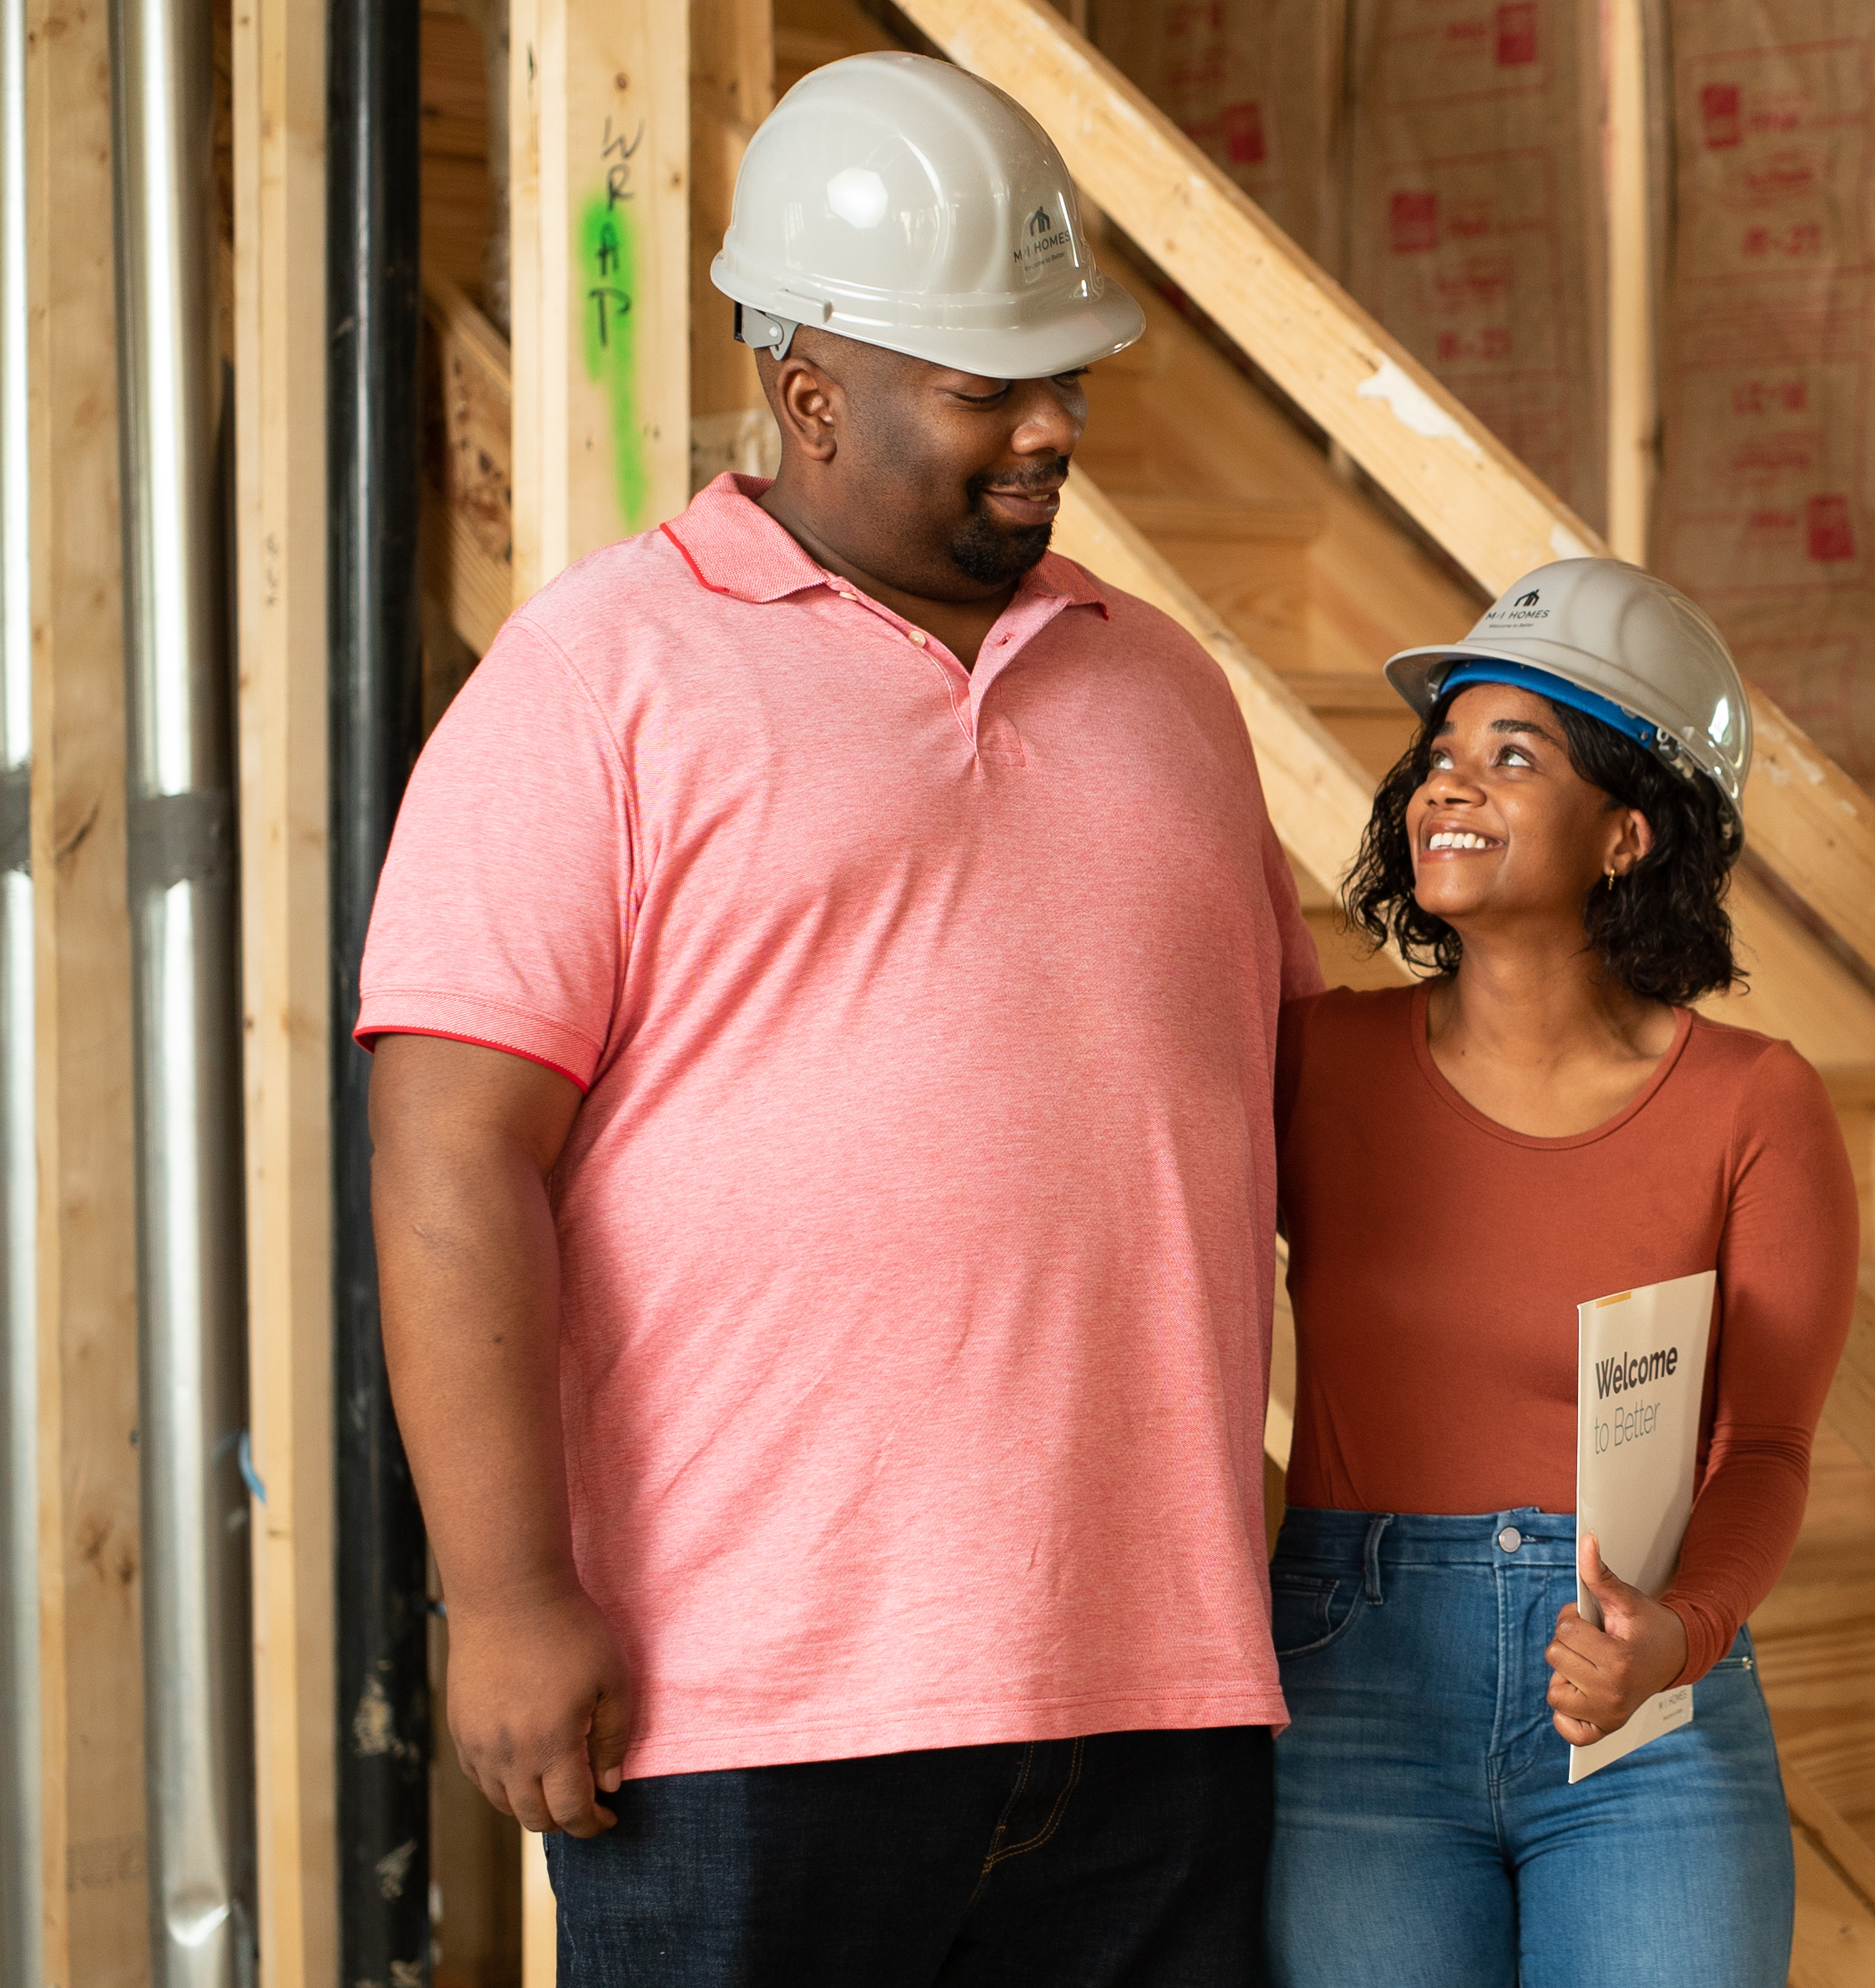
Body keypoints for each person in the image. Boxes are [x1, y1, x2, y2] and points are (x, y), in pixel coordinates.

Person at [360, 52, 1318, 1985]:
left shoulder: (1175, 700)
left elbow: (1295, 1129)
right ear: (810, 391)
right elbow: (452, 1153)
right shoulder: (601, 677)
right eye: (990, 386)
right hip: (746, 1716)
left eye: (1068, 375)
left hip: (1162, 1698)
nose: (1054, 426)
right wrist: (509, 1590)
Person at [1262, 560, 1855, 1988]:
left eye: (1511, 756)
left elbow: (1766, 1445)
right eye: (1441, 755)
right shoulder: (1314, 1063)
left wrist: (1679, 1635)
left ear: (1626, 836)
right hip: (1356, 1678)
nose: (1446, 788)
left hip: (1647, 1698)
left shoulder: (1754, 1104)